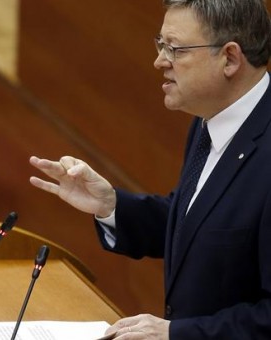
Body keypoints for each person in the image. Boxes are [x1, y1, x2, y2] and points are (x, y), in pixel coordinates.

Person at [29, 0, 271, 339]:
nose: (159, 62)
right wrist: (111, 205)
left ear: (229, 58)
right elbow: (197, 223)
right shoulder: (209, 122)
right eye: (160, 45)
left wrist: (177, 334)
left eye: (175, 50)